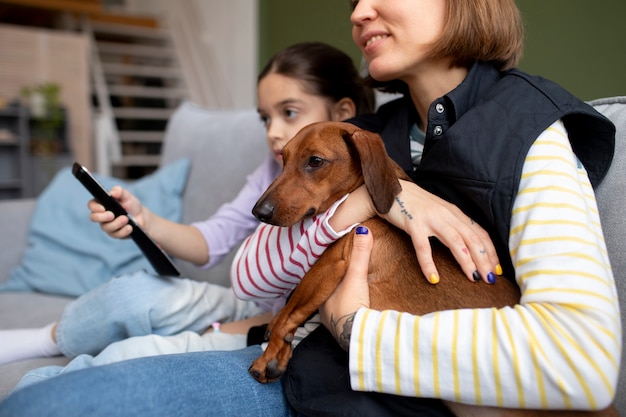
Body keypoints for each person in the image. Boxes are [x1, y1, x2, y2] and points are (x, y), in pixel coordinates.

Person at [0, 0, 619, 416]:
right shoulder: (371, 132)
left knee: (54, 405)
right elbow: (257, 260)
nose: (356, 12)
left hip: (361, 388)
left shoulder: (530, 132)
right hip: (310, 370)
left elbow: (585, 361)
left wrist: (357, 329)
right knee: (43, 392)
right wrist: (395, 197)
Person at [0, 41, 375, 385]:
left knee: (132, 356)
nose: (274, 132)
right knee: (133, 294)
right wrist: (143, 219)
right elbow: (212, 239)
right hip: (254, 300)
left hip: (291, 319)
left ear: (343, 111)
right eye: (265, 118)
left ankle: (42, 390)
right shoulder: (272, 168)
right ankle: (44, 340)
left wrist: (227, 331)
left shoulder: (361, 172)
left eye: (289, 112)